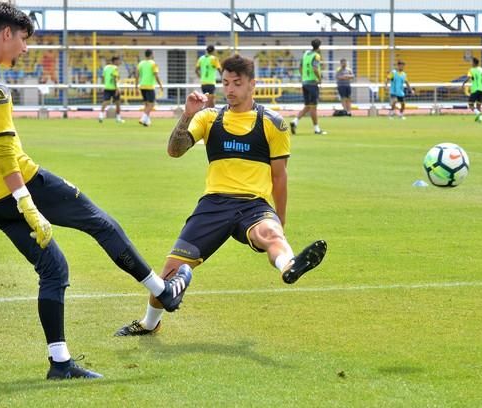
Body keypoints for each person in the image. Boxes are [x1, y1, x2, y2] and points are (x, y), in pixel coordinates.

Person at [0, 3, 191, 380]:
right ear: (7, 34)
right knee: (101, 223)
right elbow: (2, 151)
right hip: (22, 186)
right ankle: (164, 291)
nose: (25, 49)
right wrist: (26, 202)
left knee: (54, 268)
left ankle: (60, 364)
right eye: (24, 40)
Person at [115, 54, 327, 337]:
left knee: (272, 235)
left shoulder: (273, 123)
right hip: (213, 205)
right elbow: (174, 151)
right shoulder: (208, 117)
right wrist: (188, 114)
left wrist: (281, 218)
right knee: (168, 273)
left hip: (254, 205)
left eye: (237, 83)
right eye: (225, 82)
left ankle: (289, 266)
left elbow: (280, 176)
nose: (229, 89)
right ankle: (149, 323)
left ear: (252, 84)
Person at [290, 39, 327, 135]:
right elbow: (315, 68)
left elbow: (300, 67)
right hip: (312, 84)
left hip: (305, 83)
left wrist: (303, 77)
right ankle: (317, 129)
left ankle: (295, 122)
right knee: (313, 107)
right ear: (319, 47)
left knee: (307, 106)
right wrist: (319, 79)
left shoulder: (306, 54)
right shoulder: (316, 56)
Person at [136, 49, 163, 127]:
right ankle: (143, 118)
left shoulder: (140, 63)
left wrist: (136, 85)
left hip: (142, 86)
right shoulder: (153, 64)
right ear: (151, 54)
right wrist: (160, 85)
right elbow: (156, 75)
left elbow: (137, 75)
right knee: (152, 104)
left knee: (146, 104)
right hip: (150, 86)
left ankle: (147, 121)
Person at [461, 57, 482, 123]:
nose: (471, 63)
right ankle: (480, 119)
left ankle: (478, 114)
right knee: (478, 105)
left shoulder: (471, 70)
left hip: (475, 89)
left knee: (470, 104)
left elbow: (468, 78)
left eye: (471, 62)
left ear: (474, 63)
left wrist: (463, 83)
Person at [98, 56, 124, 123]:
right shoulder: (115, 68)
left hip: (107, 87)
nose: (119, 62)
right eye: (118, 61)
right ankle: (118, 118)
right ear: (115, 61)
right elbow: (115, 78)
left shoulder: (106, 67)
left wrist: (105, 84)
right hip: (114, 88)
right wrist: (117, 88)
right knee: (118, 103)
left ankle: (101, 115)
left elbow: (103, 77)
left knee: (105, 101)